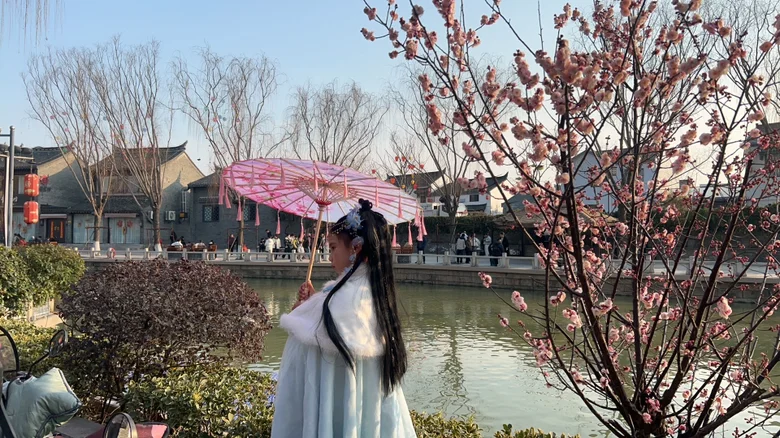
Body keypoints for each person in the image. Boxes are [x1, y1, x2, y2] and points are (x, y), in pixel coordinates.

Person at [270, 199, 415, 437]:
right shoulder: (376, 299)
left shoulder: (334, 305)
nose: (330, 256)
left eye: (333, 247)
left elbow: (301, 375)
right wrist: (315, 302)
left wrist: (305, 311)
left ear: (356, 249)